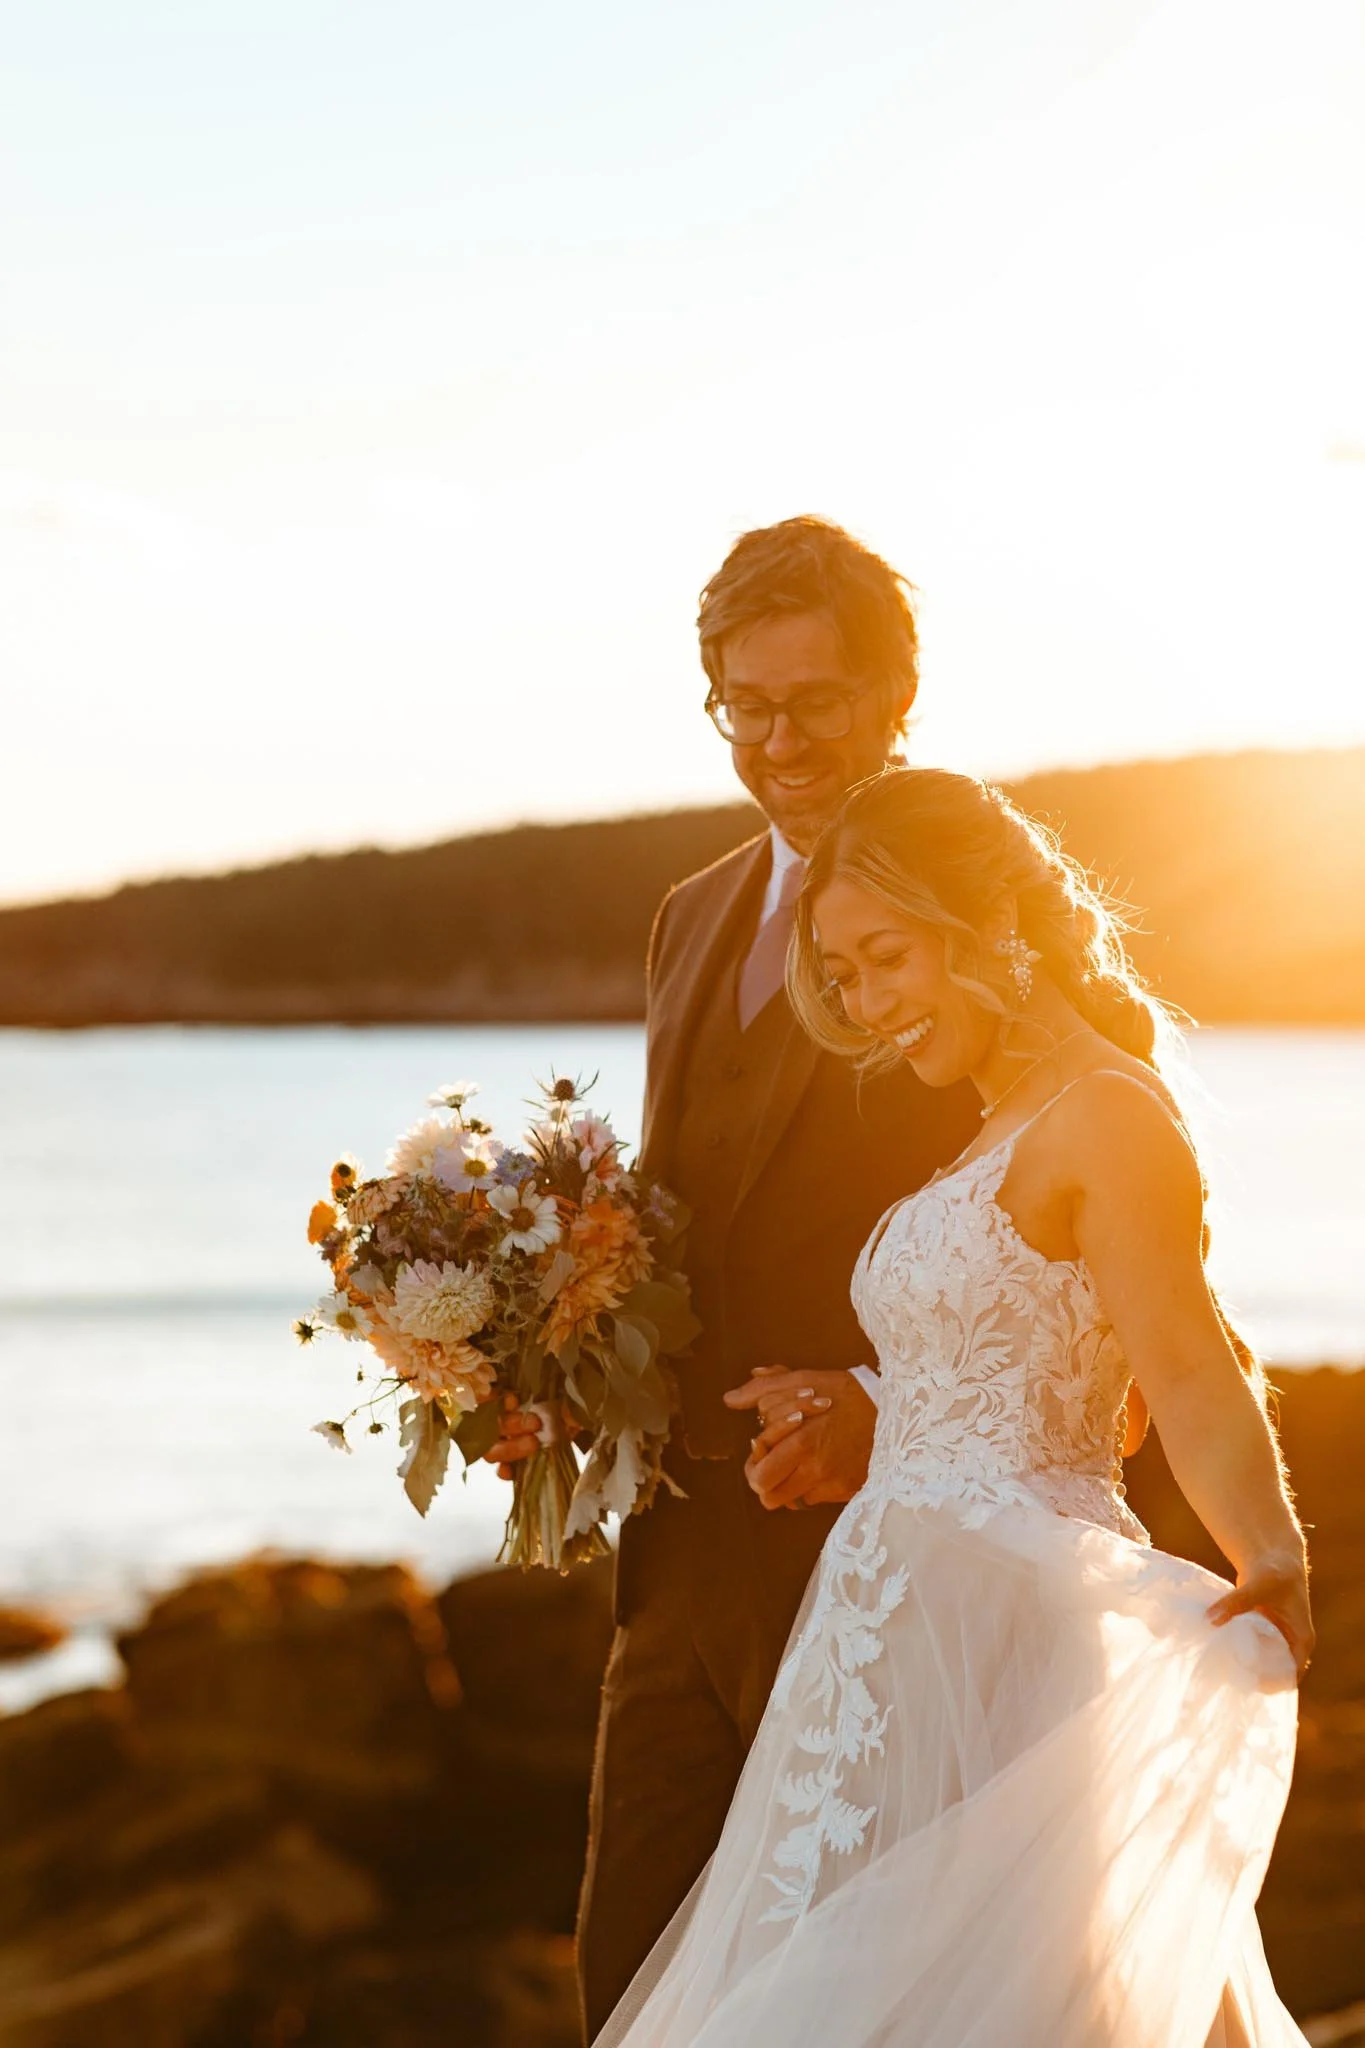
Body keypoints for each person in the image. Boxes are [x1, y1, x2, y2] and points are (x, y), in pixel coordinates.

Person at [595, 764, 1314, 2048]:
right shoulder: (993, 1121)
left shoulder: (1107, 1115)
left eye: (888, 959)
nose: (868, 1005)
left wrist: (1270, 1547)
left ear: (995, 923)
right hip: (888, 1627)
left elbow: (1187, 1363)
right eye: (843, 975)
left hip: (1012, 1627)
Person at [487, 518, 981, 2038]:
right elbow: (681, 1214)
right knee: (630, 1982)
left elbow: (1082, 1212)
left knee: (852, 2002)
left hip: (881, 1556)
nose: (779, 743)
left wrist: (887, 1398)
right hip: (677, 1559)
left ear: (894, 695)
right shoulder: (691, 912)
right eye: (745, 707)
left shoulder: (985, 898)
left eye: (815, 702)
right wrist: (560, 1360)